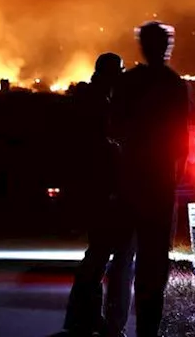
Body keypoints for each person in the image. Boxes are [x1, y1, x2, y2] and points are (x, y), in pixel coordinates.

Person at [108, 22, 191, 337]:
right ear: (166, 46)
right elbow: (181, 140)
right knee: (154, 260)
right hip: (159, 181)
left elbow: (113, 127)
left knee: (123, 254)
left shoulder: (129, 82)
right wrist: (174, 174)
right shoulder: (173, 85)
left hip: (131, 177)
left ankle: (114, 324)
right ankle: (148, 330)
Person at [60, 53, 133, 337]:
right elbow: (100, 147)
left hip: (93, 189)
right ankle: (86, 317)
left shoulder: (89, 100)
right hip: (100, 190)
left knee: (98, 253)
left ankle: (84, 317)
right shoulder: (97, 104)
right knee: (101, 253)